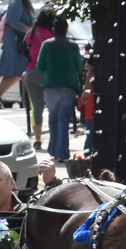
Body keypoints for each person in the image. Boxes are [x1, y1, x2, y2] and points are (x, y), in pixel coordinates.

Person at [36, 17, 83, 162]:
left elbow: (40, 66)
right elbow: (79, 67)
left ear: (53, 30)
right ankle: (62, 152)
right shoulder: (74, 46)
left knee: (53, 119)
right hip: (69, 86)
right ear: (66, 29)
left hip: (51, 86)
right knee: (64, 120)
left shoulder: (46, 45)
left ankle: (53, 150)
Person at [0, 0, 34, 109]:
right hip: (15, 43)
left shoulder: (25, 3)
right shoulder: (18, 3)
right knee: (16, 72)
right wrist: (30, 31)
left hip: (21, 43)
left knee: (17, 73)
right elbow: (14, 21)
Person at [22, 5, 54, 149]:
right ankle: (54, 137)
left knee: (36, 107)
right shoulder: (48, 34)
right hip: (46, 73)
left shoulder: (30, 33)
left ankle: (38, 139)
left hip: (30, 73)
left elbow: (24, 51)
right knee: (53, 105)